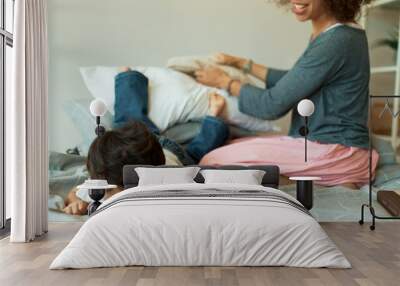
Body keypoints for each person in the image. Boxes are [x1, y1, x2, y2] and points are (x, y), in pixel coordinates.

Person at [194, 0, 379, 187]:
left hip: (337, 151)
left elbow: (271, 106)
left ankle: (320, 184)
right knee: (229, 145)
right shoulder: (337, 32)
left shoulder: (336, 40)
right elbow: (296, 80)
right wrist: (242, 64)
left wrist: (225, 82)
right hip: (329, 145)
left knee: (211, 162)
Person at [63, 68, 229, 215]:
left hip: (170, 155)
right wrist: (79, 203)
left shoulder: (168, 182)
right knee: (128, 122)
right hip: (147, 146)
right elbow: (75, 193)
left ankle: (128, 76)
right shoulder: (102, 186)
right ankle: (128, 77)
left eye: (114, 192)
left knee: (196, 153)